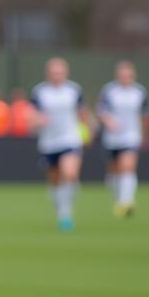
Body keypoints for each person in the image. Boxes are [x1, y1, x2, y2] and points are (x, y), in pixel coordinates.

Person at [30, 58, 92, 232]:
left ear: (66, 73)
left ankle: (66, 214)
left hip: (70, 139)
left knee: (70, 173)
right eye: (53, 72)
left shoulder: (74, 90)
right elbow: (31, 116)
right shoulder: (40, 91)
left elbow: (83, 113)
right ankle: (61, 211)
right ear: (48, 73)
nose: (56, 75)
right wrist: (37, 120)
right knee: (55, 181)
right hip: (48, 143)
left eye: (60, 72)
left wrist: (88, 132)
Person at [96, 61, 149, 217]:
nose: (125, 78)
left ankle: (126, 202)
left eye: (128, 75)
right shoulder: (109, 91)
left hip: (131, 136)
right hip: (112, 138)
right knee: (113, 172)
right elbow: (101, 111)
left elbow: (144, 116)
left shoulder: (139, 92)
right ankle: (118, 197)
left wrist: (146, 136)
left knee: (128, 167)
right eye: (122, 75)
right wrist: (108, 121)